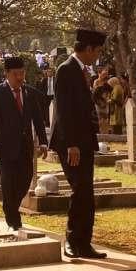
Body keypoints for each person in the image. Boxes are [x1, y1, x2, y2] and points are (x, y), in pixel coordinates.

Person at [49, 28, 107, 259]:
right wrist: (72, 143)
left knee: (87, 192)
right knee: (79, 190)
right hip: (70, 142)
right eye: (97, 51)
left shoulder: (82, 71)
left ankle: (85, 242)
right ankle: (72, 241)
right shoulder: (66, 70)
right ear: (88, 49)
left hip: (84, 140)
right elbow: (63, 111)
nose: (98, 56)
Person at [0, 57, 47, 231]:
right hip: (5, 147)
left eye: (22, 73)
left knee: (25, 180)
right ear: (7, 74)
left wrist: (43, 141)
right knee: (8, 183)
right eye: (16, 74)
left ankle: (10, 208)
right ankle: (13, 218)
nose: (20, 77)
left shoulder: (30, 93)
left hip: (25, 146)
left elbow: (38, 119)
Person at [92, 67, 111, 134]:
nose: (104, 76)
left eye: (105, 74)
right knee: (100, 118)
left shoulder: (106, 82)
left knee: (105, 118)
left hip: (105, 102)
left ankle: (106, 132)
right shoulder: (96, 81)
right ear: (99, 74)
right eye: (103, 74)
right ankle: (101, 132)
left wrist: (108, 97)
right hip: (99, 102)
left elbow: (110, 90)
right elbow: (95, 93)